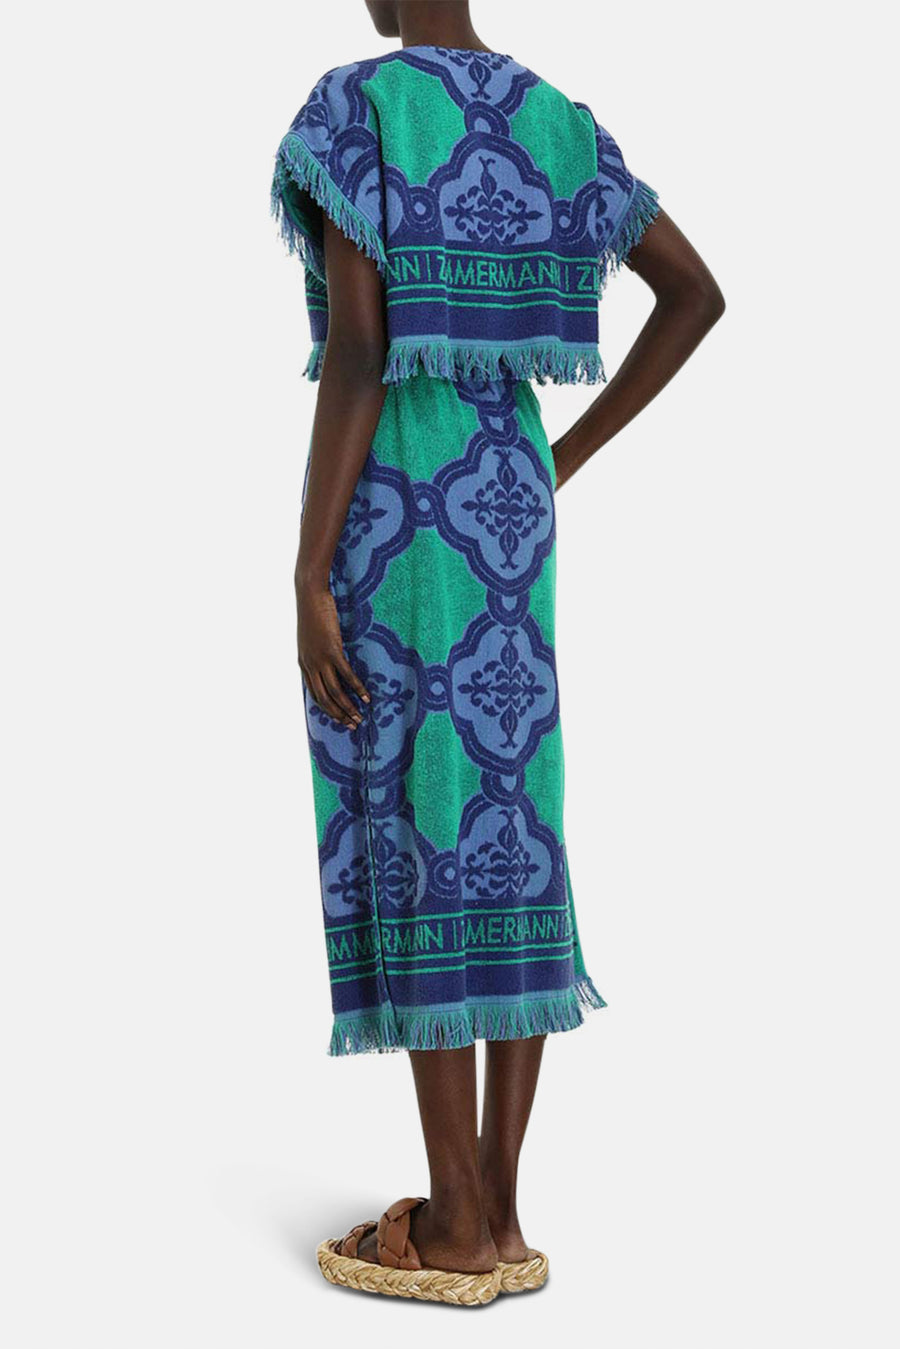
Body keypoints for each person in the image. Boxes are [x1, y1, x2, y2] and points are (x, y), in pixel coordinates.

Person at [270, 0, 724, 1307]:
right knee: (512, 822)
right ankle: (502, 1206)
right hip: (508, 509)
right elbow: (695, 294)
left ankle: (457, 1219)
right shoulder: (556, 123)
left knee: (423, 815)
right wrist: (555, 455)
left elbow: (365, 346)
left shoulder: (360, 106)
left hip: (402, 501)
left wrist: (308, 567)